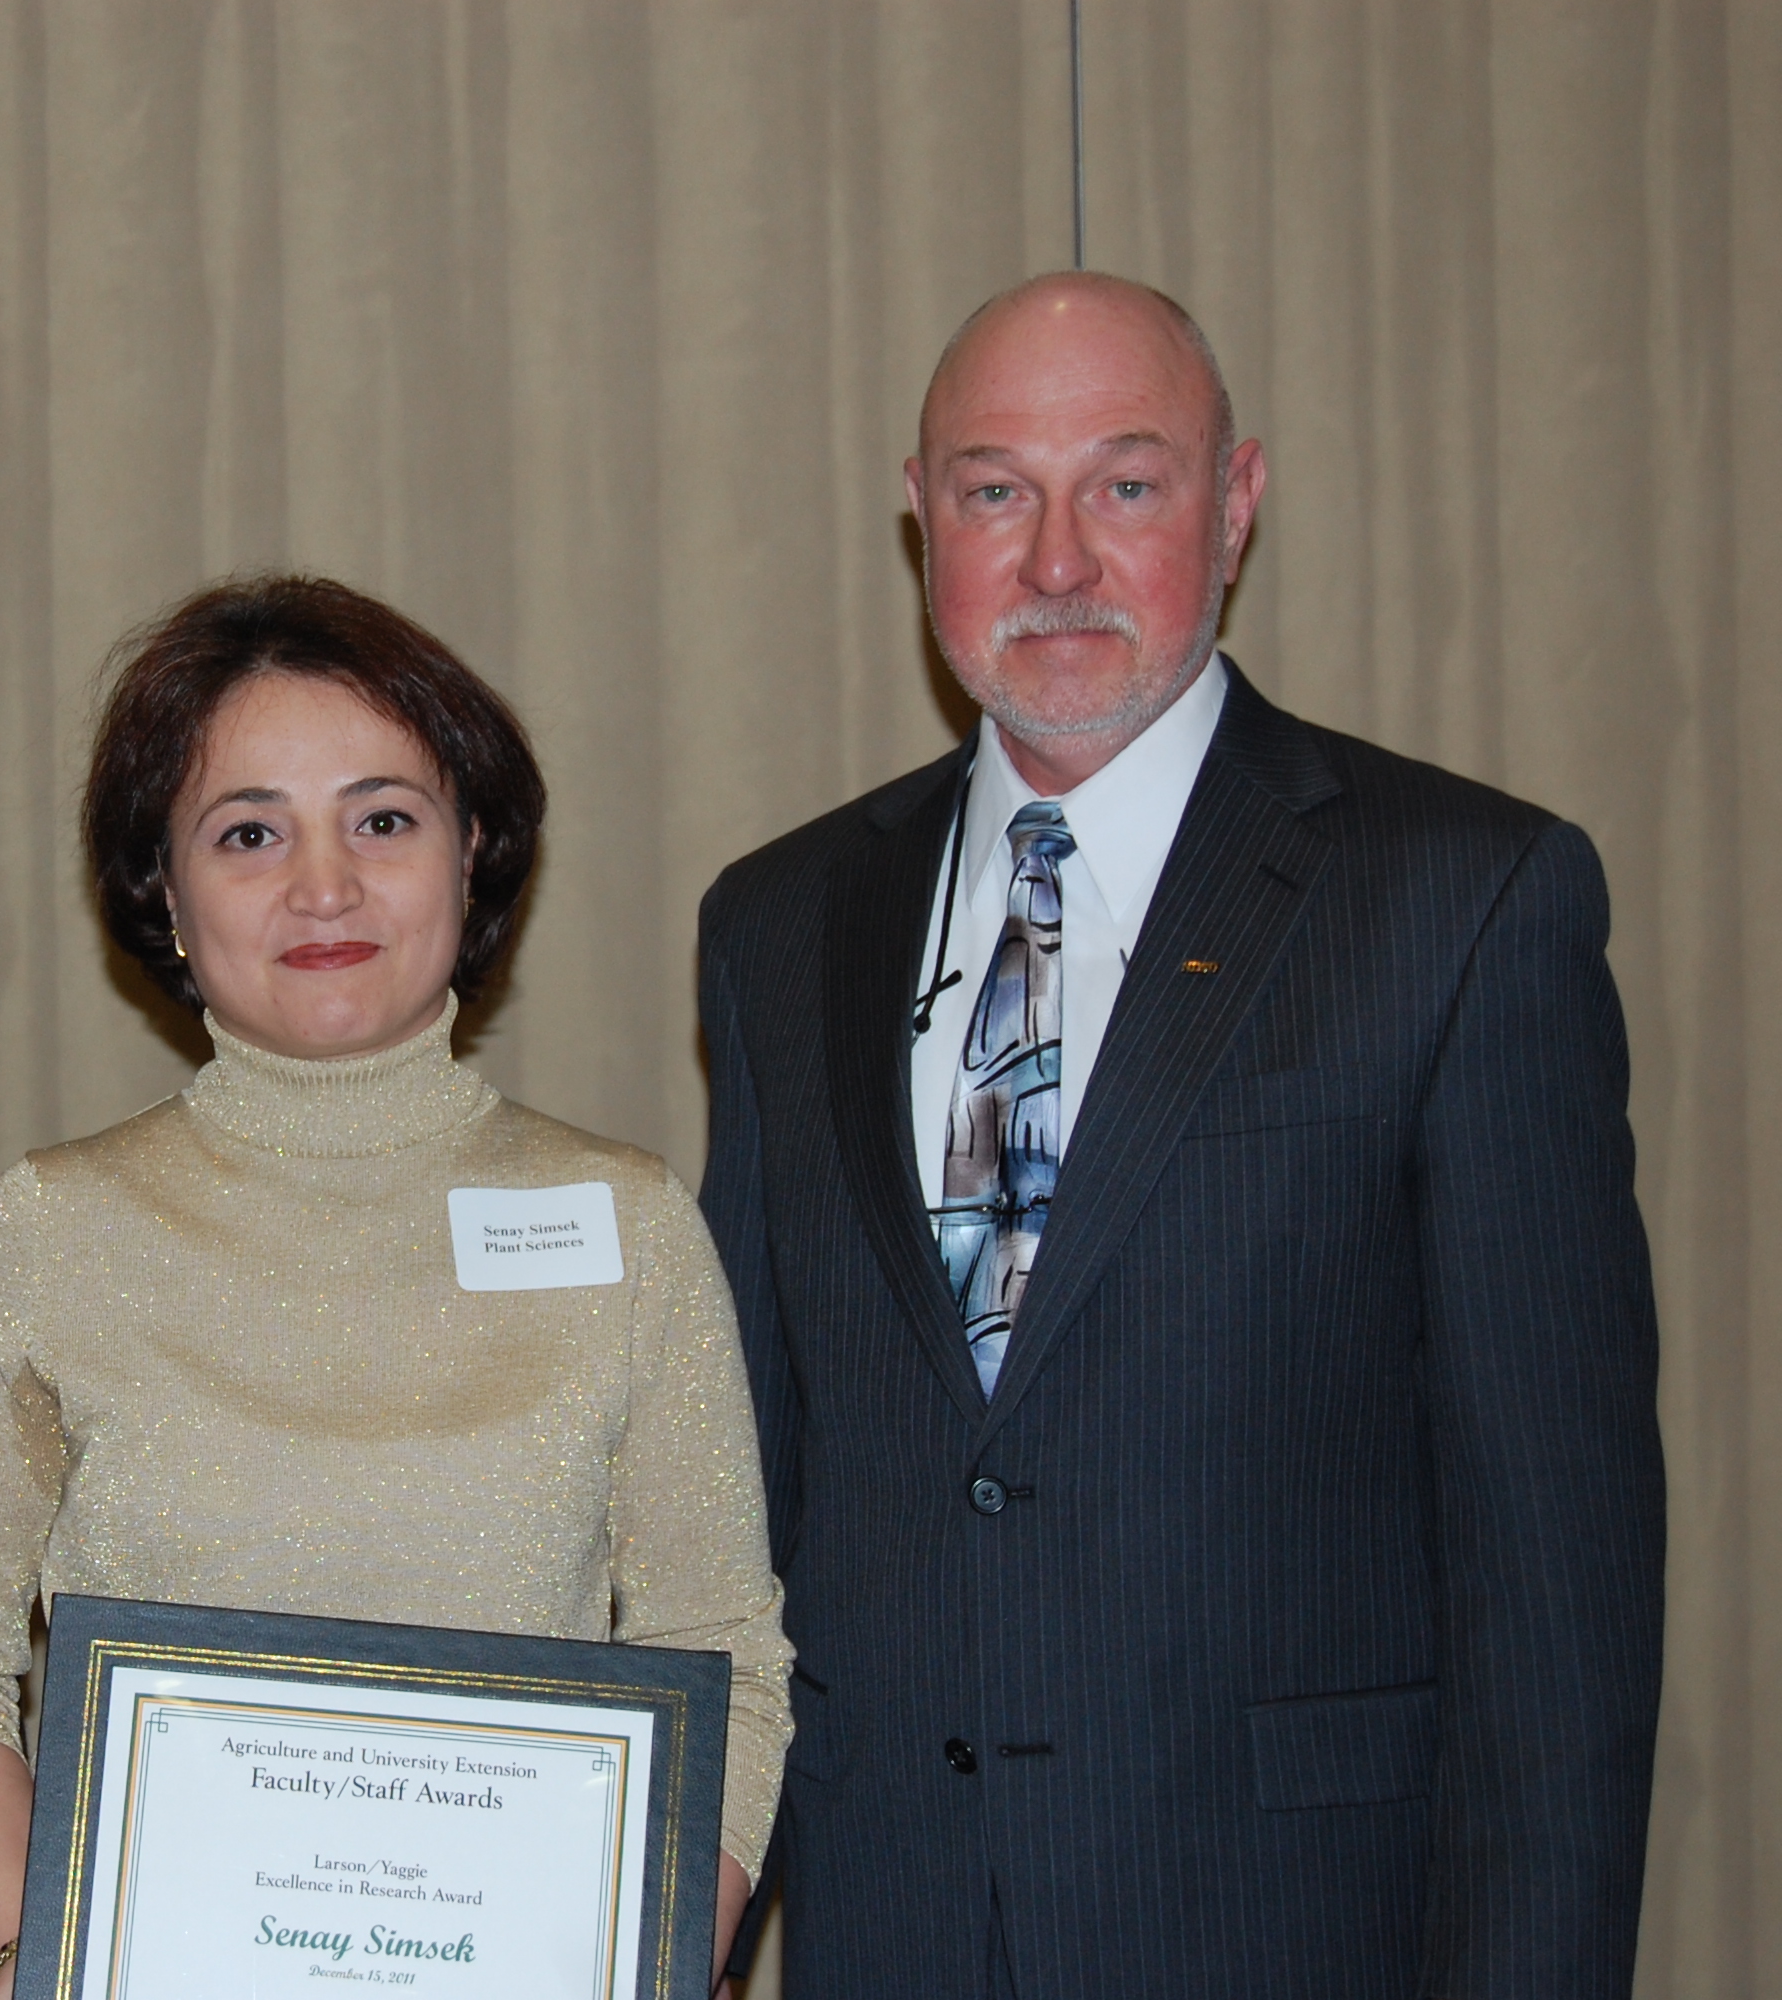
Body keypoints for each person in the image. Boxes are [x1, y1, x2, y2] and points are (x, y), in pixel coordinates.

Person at [697, 270, 1665, 1998]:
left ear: (1237, 504)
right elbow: (746, 1503)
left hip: (1289, 1930)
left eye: (1125, 487)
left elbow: (1559, 1590)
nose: (1055, 560)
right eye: (997, 490)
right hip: (891, 1931)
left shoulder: (1462, 902)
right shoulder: (780, 924)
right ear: (921, 519)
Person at [0, 575, 793, 1998]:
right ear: (163, 891)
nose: (324, 885)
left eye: (383, 818)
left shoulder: (631, 1228)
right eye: (248, 833)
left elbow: (723, 1658)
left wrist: (650, 1957)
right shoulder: (53, 1230)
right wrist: (59, 1952)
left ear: (474, 850)